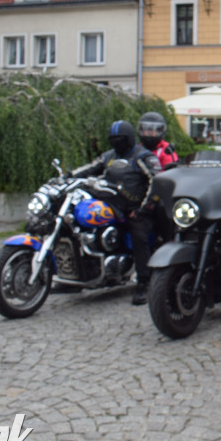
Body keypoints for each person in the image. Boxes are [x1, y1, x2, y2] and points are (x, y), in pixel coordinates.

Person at [71, 121, 161, 305]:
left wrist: (143, 209)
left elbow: (157, 182)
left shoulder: (143, 157)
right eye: (113, 139)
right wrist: (68, 177)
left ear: (128, 138)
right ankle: (76, 275)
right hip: (111, 206)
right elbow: (90, 168)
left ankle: (143, 283)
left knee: (139, 237)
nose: (116, 142)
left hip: (136, 209)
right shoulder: (108, 157)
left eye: (120, 139)